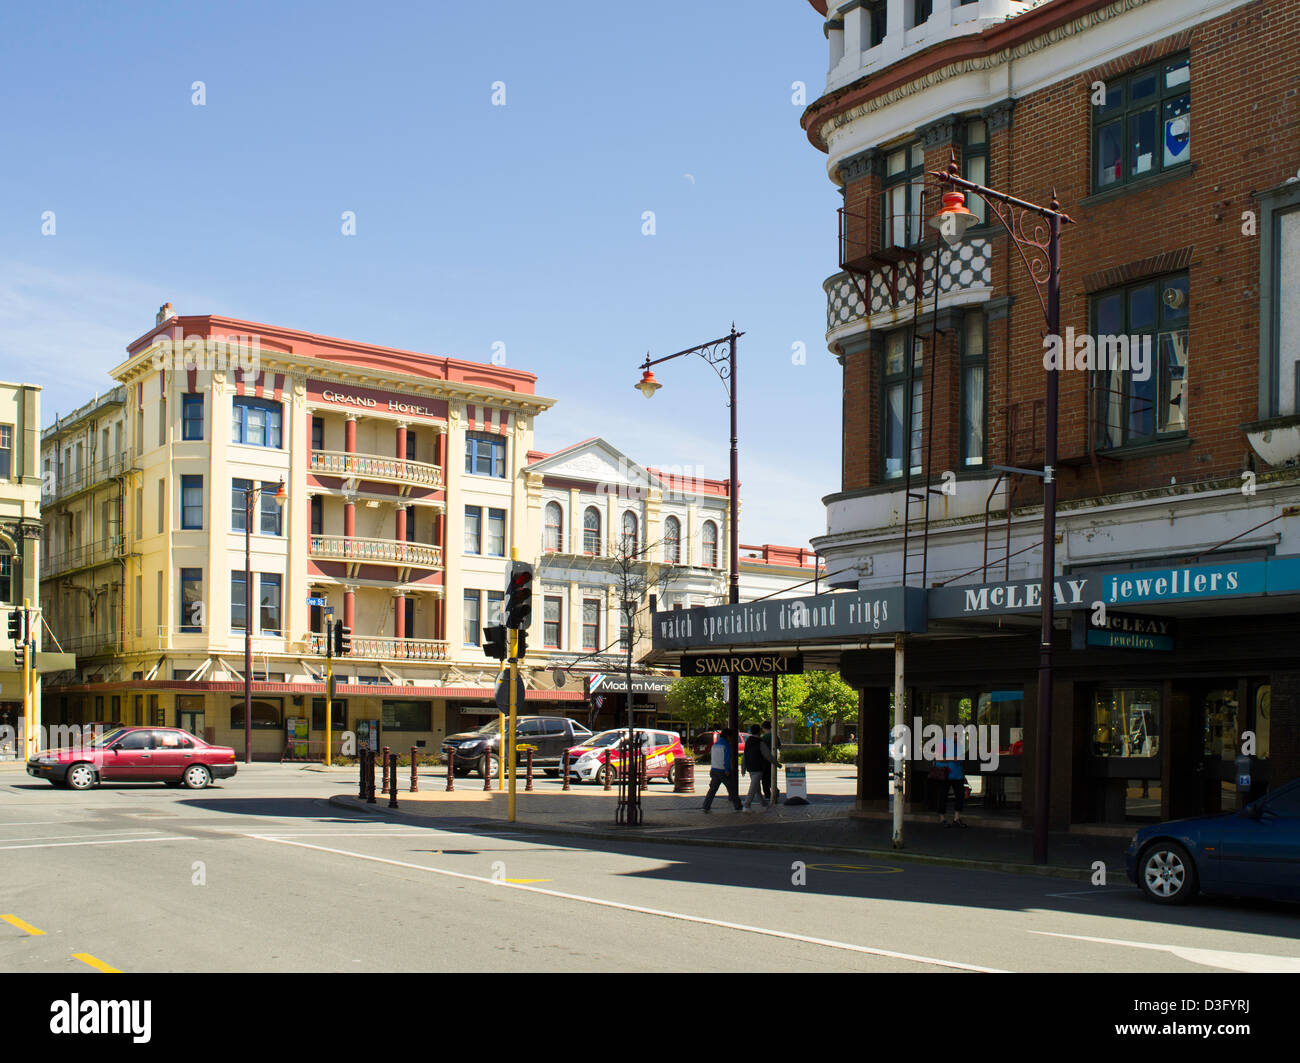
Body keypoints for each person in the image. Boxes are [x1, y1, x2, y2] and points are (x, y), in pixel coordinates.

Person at [702, 728, 743, 813]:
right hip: (723, 771)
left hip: (714, 769)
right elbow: (727, 759)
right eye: (730, 737)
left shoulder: (715, 745)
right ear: (728, 736)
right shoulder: (726, 746)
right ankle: (738, 806)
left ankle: (706, 805)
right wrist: (727, 770)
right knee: (732, 789)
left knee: (712, 790)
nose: (731, 739)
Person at [936, 735, 967, 827]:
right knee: (943, 796)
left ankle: (957, 818)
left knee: (960, 796)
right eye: (956, 735)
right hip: (946, 774)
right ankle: (942, 818)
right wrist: (953, 758)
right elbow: (938, 758)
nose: (958, 737)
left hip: (958, 774)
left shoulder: (959, 745)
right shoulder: (943, 743)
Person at [742, 724, 774, 809]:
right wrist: (776, 763)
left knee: (756, 788)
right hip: (758, 767)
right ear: (759, 731)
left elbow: (745, 755)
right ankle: (747, 805)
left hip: (750, 767)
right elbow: (767, 755)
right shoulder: (760, 742)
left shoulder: (748, 741)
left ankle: (764, 804)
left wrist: (743, 767)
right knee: (753, 788)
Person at [760, 721, 782, 802]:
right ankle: (775, 790)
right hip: (774, 759)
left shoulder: (764, 737)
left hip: (765, 760)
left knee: (765, 779)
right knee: (772, 777)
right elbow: (779, 746)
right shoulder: (775, 736)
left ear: (763, 728)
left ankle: (767, 795)